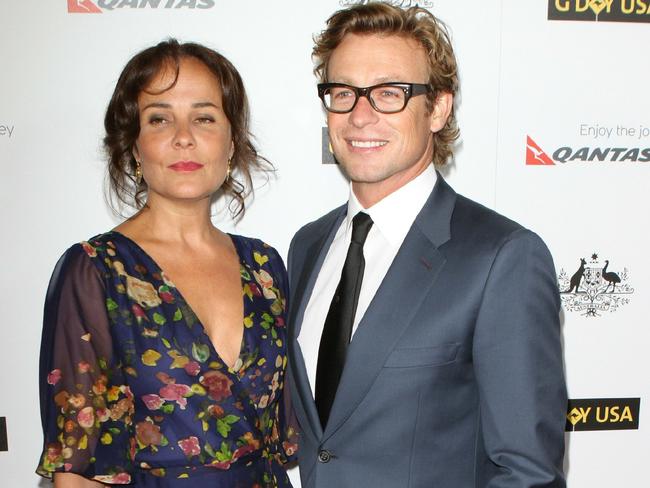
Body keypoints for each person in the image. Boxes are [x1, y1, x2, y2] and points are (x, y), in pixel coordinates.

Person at [287, 3, 567, 487]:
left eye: (389, 93)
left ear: (437, 108)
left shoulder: (502, 258)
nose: (360, 116)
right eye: (343, 93)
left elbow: (527, 473)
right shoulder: (307, 245)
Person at [36, 40, 297, 487]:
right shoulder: (97, 271)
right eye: (159, 118)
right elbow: (77, 471)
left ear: (231, 142)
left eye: (204, 117)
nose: (183, 137)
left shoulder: (264, 266)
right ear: (134, 146)